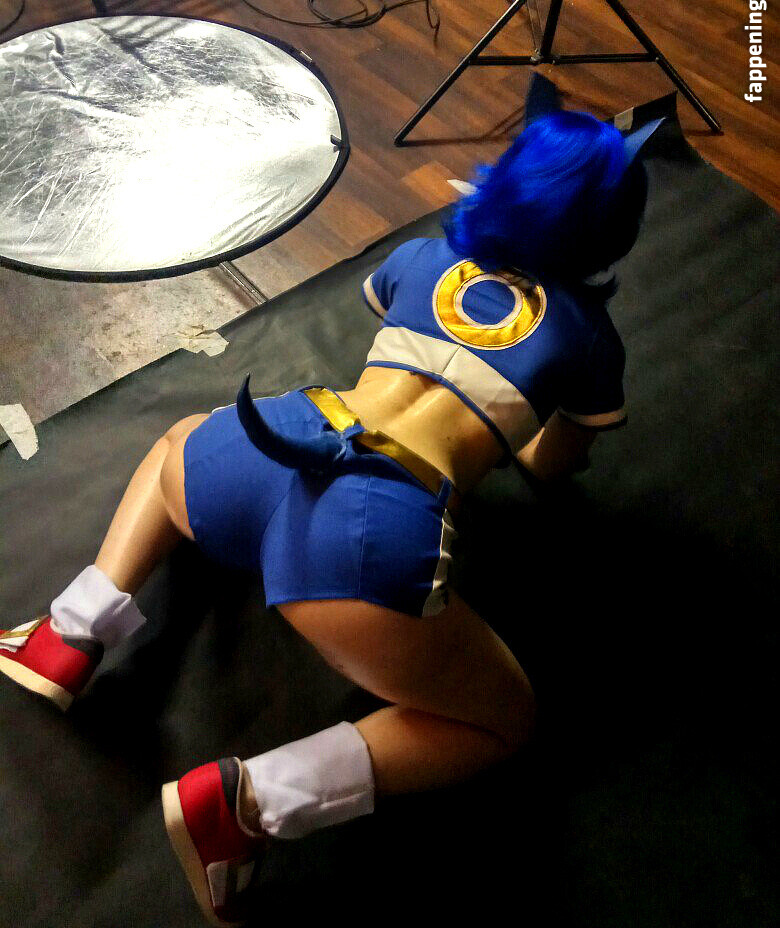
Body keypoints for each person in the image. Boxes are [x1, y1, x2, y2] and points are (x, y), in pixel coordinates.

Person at [0, 74, 663, 927]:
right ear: (613, 229)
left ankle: (73, 627)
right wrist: (523, 432)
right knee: (505, 718)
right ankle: (249, 803)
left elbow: (392, 321)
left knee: (176, 445)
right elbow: (552, 465)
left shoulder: (422, 259)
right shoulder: (592, 342)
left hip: (280, 436)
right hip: (370, 536)